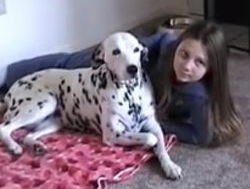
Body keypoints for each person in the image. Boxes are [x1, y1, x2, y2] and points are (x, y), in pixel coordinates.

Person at [0, 20, 243, 147]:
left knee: (69, 67)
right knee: (70, 62)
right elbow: (160, 41)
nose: (188, 66)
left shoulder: (197, 95)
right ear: (178, 47)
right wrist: (128, 52)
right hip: (138, 61)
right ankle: (7, 75)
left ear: (212, 68)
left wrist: (156, 124)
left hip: (139, 87)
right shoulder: (166, 47)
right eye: (185, 54)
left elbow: (201, 137)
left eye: (199, 62)